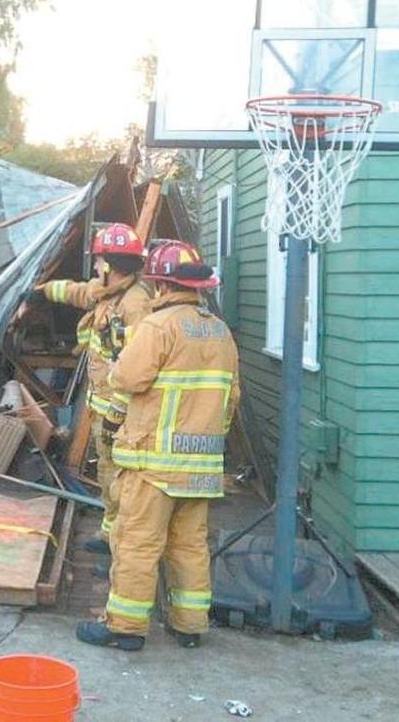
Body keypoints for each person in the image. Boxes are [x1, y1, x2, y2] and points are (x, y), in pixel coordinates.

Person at [76, 240, 239, 651]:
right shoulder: (221, 332)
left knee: (137, 543)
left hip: (154, 465)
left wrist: (112, 372)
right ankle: (189, 625)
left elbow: (128, 379)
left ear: (162, 286)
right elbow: (230, 399)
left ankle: (125, 629)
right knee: (188, 545)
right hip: (200, 468)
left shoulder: (158, 326)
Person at [30, 222, 152, 554]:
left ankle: (123, 548)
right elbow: (78, 292)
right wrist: (41, 290)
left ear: (110, 265)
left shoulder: (136, 305)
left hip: (123, 413)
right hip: (105, 407)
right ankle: (111, 535)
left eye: (99, 261)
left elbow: (139, 367)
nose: (95, 267)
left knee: (124, 482)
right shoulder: (109, 292)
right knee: (108, 474)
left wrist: (117, 412)